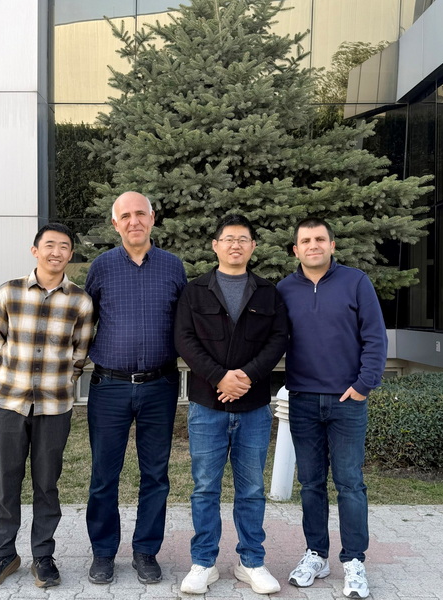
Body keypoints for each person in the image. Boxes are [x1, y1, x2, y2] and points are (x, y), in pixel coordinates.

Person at [174, 214, 288, 595]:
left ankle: (251, 562)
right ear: (215, 245)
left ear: (253, 246)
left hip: (253, 407)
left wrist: (247, 377)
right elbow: (184, 339)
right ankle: (203, 562)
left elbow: (278, 340)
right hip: (207, 405)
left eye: (243, 239)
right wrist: (219, 377)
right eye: (228, 239)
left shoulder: (268, 293)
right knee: (205, 487)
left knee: (252, 488)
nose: (235, 245)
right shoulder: (194, 291)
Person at [0, 223, 94, 589]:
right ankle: (4, 554)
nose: (56, 252)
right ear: (35, 250)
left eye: (64, 246)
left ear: (70, 254)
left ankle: (43, 555)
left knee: (47, 484)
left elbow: (80, 352)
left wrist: (60, 380)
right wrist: (15, 373)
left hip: (54, 406)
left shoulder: (80, 301)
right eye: (49, 245)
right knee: (6, 481)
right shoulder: (9, 292)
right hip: (10, 403)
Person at [276, 217, 387, 600]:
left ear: (332, 245)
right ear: (296, 249)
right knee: (310, 484)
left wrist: (362, 386)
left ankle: (354, 560)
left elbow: (375, 337)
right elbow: (271, 340)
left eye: (320, 239)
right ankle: (316, 555)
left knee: (350, 483)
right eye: (305, 240)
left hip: (346, 402)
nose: (313, 245)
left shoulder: (356, 282)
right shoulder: (284, 289)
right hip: (303, 400)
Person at [84, 191, 187, 585]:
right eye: (125, 216)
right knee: (104, 475)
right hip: (109, 386)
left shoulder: (173, 267)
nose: (134, 222)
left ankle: (146, 551)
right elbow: (84, 320)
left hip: (160, 385)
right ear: (116, 224)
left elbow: (185, 324)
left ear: (152, 218)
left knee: (156, 474)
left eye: (140, 214)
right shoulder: (102, 267)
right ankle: (103, 553)